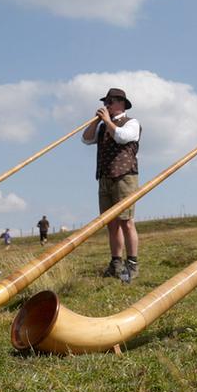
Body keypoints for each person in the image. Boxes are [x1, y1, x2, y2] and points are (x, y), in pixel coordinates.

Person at [83, 87, 141, 282]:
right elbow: (86, 139)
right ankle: (116, 262)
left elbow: (122, 137)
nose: (106, 105)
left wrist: (107, 121)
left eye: (110, 101)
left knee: (126, 221)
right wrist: (97, 121)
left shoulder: (131, 123)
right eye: (105, 102)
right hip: (105, 177)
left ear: (121, 103)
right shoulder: (102, 126)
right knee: (111, 223)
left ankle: (132, 263)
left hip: (125, 176)